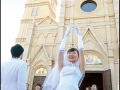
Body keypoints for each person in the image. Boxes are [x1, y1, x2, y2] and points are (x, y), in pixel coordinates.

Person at [42, 24, 85, 90]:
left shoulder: (80, 69)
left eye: (74, 53)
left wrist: (79, 35)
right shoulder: (61, 68)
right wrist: (66, 36)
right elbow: (61, 50)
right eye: (69, 53)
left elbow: (81, 49)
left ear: (78, 57)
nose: (71, 54)